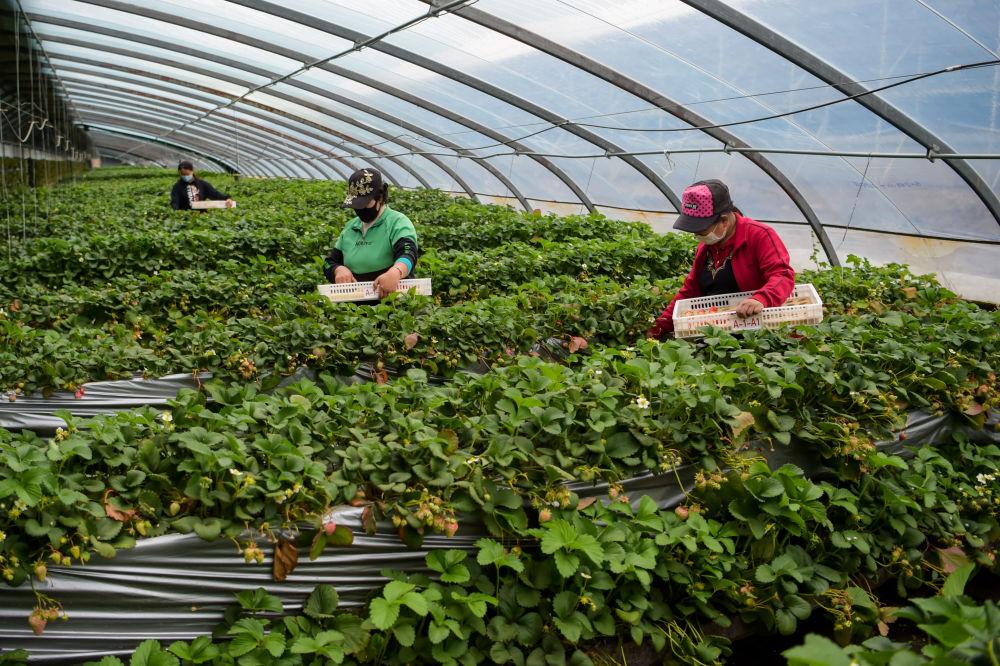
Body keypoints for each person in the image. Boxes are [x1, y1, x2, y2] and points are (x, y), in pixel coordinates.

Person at [648, 179, 795, 339]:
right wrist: (659, 327)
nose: (697, 236)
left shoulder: (759, 235)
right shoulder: (707, 246)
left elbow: (782, 275)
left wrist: (761, 299)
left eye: (701, 230)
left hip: (755, 332)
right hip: (714, 332)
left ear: (724, 221)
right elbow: (690, 291)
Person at [323, 168, 419, 299]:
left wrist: (395, 272)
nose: (360, 209)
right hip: (353, 304)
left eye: (365, 203)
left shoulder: (397, 222)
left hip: (392, 301)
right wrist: (338, 269)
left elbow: (408, 252)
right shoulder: (351, 227)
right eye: (357, 205)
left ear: (380, 197)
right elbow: (329, 262)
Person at [170, 160, 235, 210]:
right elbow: (174, 202)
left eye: (187, 174)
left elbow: (215, 194)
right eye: (182, 174)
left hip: (201, 216)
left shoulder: (202, 184)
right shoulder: (177, 187)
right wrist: (178, 212)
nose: (185, 176)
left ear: (192, 171)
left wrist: (228, 198)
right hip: (184, 217)